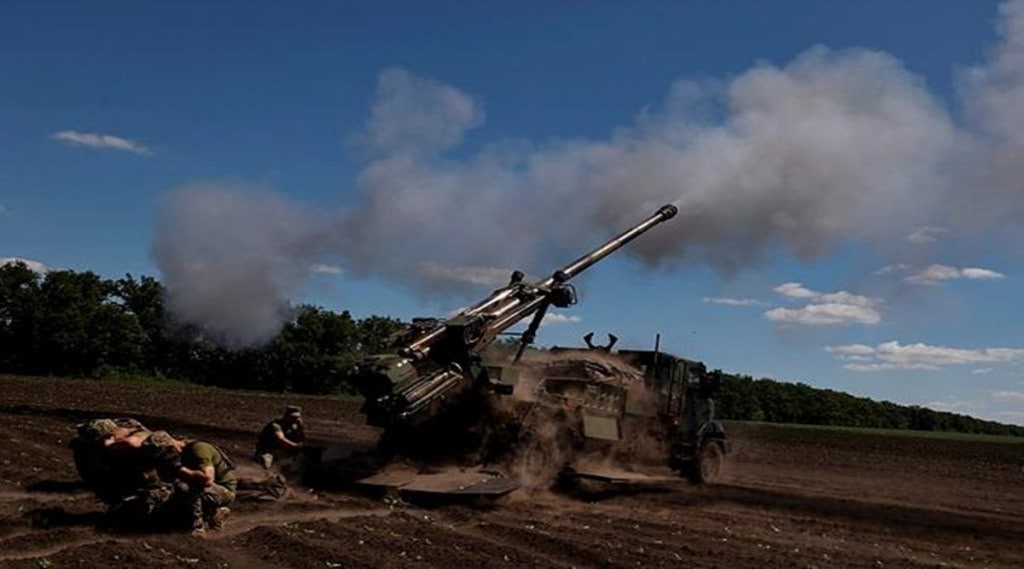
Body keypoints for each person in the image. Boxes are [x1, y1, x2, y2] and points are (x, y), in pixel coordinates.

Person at [146, 431, 237, 536]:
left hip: (222, 491)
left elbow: (207, 480)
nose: (164, 453)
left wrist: (179, 469)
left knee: (186, 487)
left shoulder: (198, 449)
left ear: (173, 444)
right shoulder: (172, 457)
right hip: (199, 489)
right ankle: (213, 514)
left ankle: (198, 527)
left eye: (165, 450)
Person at [254, 405, 305, 469]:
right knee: (266, 463)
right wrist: (296, 446)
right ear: (286, 416)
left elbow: (301, 440)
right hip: (268, 451)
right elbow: (281, 440)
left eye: (297, 417)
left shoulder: (295, 427)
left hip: (282, 452)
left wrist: (300, 428)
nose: (295, 419)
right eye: (293, 417)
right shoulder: (276, 426)